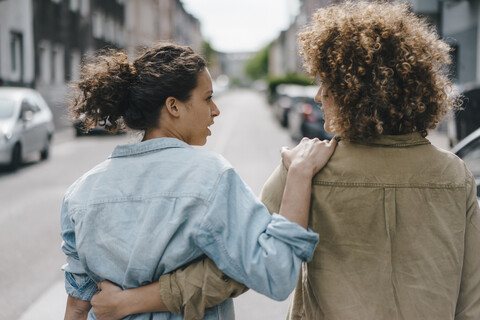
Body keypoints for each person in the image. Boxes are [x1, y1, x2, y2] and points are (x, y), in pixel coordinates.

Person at [91, 1, 480, 320]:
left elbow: (233, 270)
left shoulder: (305, 169)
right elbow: (471, 298)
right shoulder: (456, 176)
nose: (317, 96)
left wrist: (132, 301)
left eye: (327, 82)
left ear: (352, 90)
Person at [61, 42, 337, 320]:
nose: (215, 110)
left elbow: (77, 306)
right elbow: (275, 273)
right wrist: (300, 172)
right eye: (207, 98)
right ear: (173, 106)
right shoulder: (209, 177)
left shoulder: (80, 193)